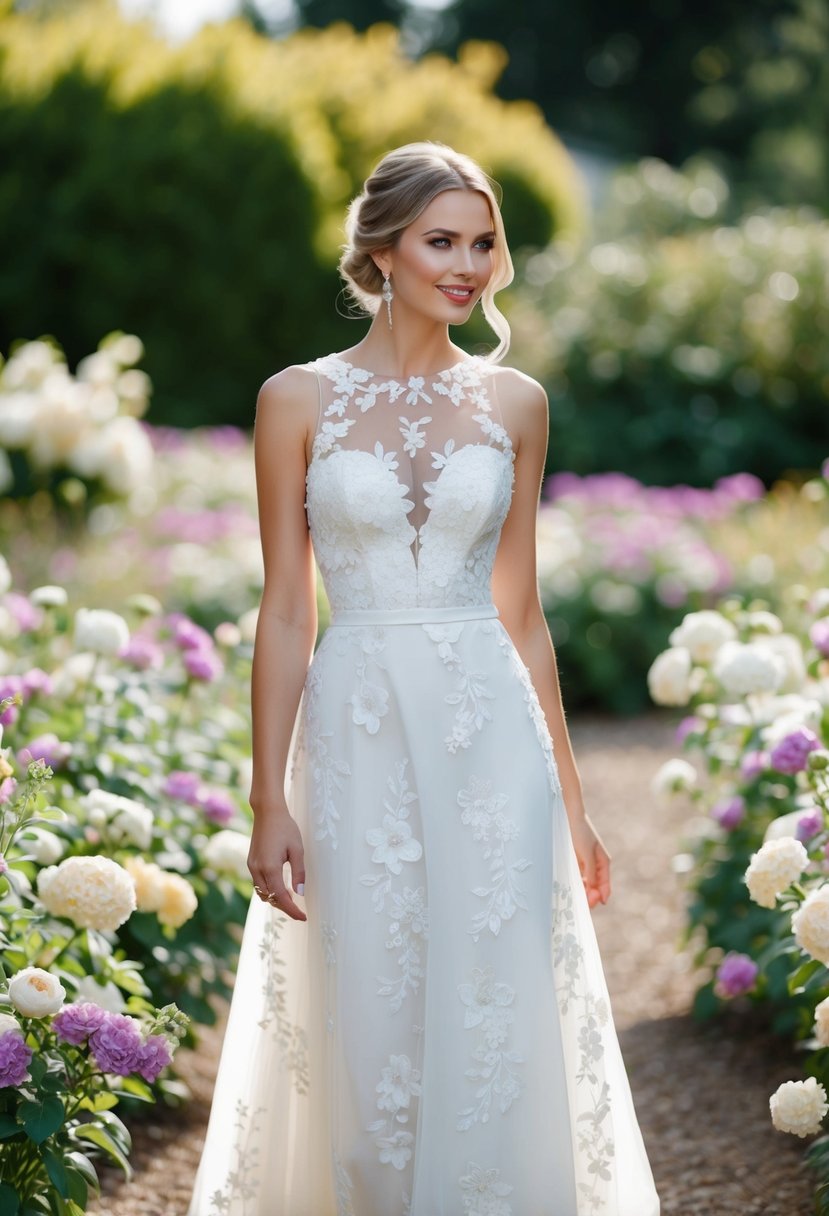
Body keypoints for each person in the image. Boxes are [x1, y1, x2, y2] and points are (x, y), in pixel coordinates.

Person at [188, 141, 660, 1216]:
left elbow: (522, 612)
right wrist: (268, 798)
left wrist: (574, 803)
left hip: (490, 725)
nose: (468, 263)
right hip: (356, 727)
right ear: (381, 250)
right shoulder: (294, 400)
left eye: (483, 243)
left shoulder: (517, 403)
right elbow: (285, 609)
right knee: (371, 996)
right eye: (441, 240)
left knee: (493, 995)